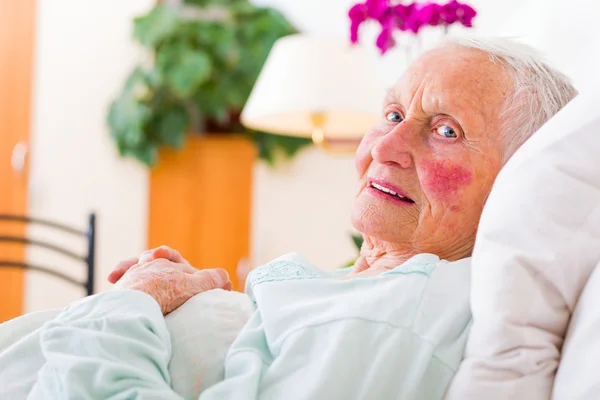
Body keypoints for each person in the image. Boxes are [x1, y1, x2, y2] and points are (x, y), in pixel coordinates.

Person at [27, 36, 578, 399]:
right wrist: (201, 307)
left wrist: (131, 304)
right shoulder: (370, 294)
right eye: (392, 113)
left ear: (516, 186)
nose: (385, 145)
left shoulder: (391, 318)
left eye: (445, 131)